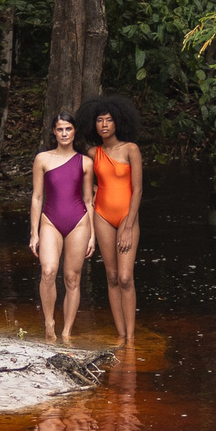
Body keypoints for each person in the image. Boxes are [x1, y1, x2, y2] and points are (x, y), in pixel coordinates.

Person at [76, 95, 144, 345]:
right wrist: (92, 190)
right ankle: (121, 335)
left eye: (109, 120)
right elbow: (77, 173)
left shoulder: (130, 149)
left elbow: (137, 190)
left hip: (127, 217)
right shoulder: (93, 153)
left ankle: (132, 338)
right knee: (112, 275)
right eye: (99, 121)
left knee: (126, 277)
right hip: (102, 216)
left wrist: (127, 226)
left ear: (118, 123)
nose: (104, 125)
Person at [29, 112, 96, 343]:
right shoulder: (42, 159)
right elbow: (37, 197)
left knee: (72, 278)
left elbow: (88, 200)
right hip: (50, 220)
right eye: (60, 129)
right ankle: (49, 324)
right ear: (54, 132)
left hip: (79, 222)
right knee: (48, 271)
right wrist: (33, 232)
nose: (64, 133)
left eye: (68, 129)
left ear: (74, 131)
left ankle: (67, 333)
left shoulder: (86, 162)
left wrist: (93, 236)